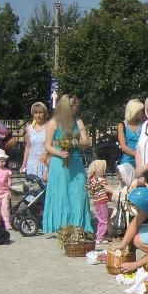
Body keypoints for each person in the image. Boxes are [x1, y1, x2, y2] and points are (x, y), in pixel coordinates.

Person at [42, 95, 93, 233]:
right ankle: (61, 225)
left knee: (78, 193)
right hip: (59, 163)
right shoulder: (53, 122)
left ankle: (78, 225)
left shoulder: (78, 121)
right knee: (61, 194)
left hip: (76, 162)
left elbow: (87, 142)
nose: (75, 112)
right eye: (72, 109)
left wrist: (74, 142)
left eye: (76, 109)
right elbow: (47, 145)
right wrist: (59, 153)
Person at [85, 160, 114, 244]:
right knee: (104, 220)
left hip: (97, 202)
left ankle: (100, 235)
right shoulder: (101, 179)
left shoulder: (93, 180)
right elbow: (106, 188)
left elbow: (89, 189)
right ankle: (100, 237)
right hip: (102, 202)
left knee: (100, 219)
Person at [21, 102, 50, 181]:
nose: (38, 115)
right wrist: (24, 164)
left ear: (44, 113)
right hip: (32, 162)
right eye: (36, 113)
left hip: (45, 162)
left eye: (40, 112)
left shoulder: (50, 127)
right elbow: (27, 147)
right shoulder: (29, 128)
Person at [117, 99, 144, 167]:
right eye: (140, 110)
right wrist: (138, 156)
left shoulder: (144, 124)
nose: (142, 112)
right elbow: (123, 147)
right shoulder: (122, 125)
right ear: (134, 111)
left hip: (142, 160)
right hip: (127, 161)